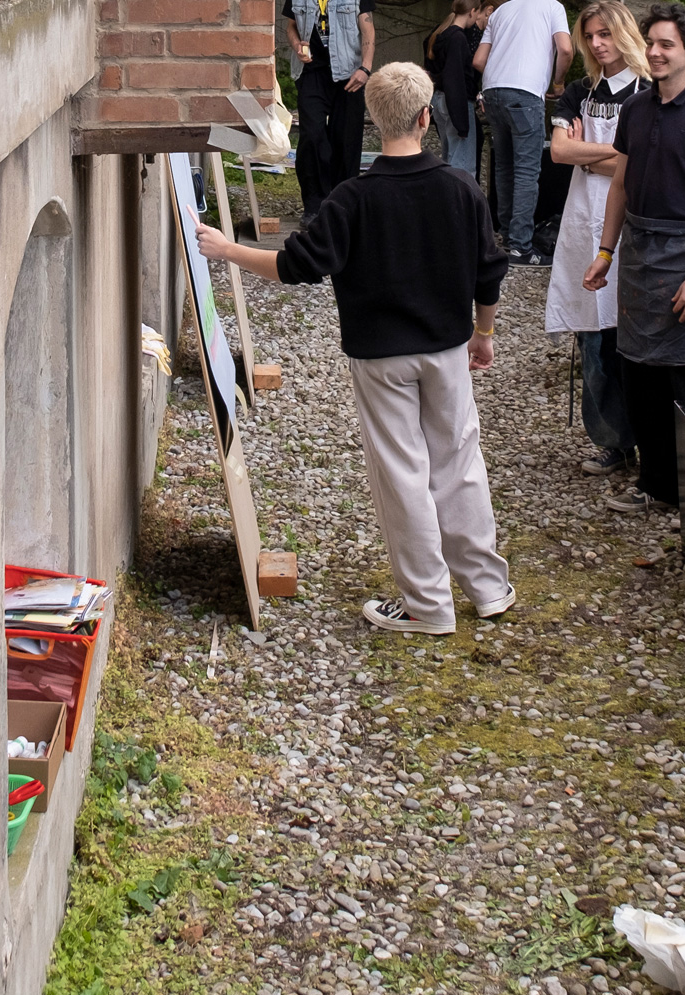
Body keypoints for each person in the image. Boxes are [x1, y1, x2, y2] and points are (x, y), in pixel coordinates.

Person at [197, 62, 515, 635]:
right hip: (446, 349)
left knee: (403, 472)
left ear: (373, 117)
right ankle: (488, 588)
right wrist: (484, 333)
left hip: (381, 357)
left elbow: (295, 266)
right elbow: (489, 273)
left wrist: (226, 250)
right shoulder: (461, 187)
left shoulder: (350, 199)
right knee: (459, 464)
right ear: (426, 118)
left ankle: (427, 605)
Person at [581, 1, 685, 525]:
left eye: (666, 44)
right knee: (641, 376)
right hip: (640, 256)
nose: (653, 51)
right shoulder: (636, 109)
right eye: (650, 42)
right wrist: (606, 251)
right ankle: (655, 484)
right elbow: (621, 186)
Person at [545, 0, 650, 477]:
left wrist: (593, 155)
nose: (596, 44)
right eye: (589, 36)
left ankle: (649, 440)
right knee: (594, 338)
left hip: (634, 223)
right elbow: (560, 150)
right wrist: (608, 154)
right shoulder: (582, 92)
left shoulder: (646, 92)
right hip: (583, 221)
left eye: (605, 34)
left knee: (634, 333)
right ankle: (610, 440)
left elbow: (645, 164)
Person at [473, 0, 572, 264]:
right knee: (527, 170)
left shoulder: (502, 11)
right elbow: (565, 50)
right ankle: (520, 246)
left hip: (492, 91)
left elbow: (479, 60)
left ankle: (504, 233)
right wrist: (558, 81)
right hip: (525, 93)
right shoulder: (553, 6)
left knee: (503, 166)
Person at [282, 0, 375, 209]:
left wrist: (365, 69)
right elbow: (290, 26)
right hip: (312, 74)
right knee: (312, 138)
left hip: (348, 74)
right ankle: (313, 204)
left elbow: (368, 32)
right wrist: (297, 46)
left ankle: (341, 206)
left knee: (346, 141)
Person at [425, 0, 485, 178]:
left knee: (448, 155)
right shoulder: (458, 38)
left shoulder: (439, 33)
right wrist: (462, 123)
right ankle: (462, 203)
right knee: (463, 164)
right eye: (476, 14)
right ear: (472, 11)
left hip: (440, 99)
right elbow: (455, 78)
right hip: (456, 102)